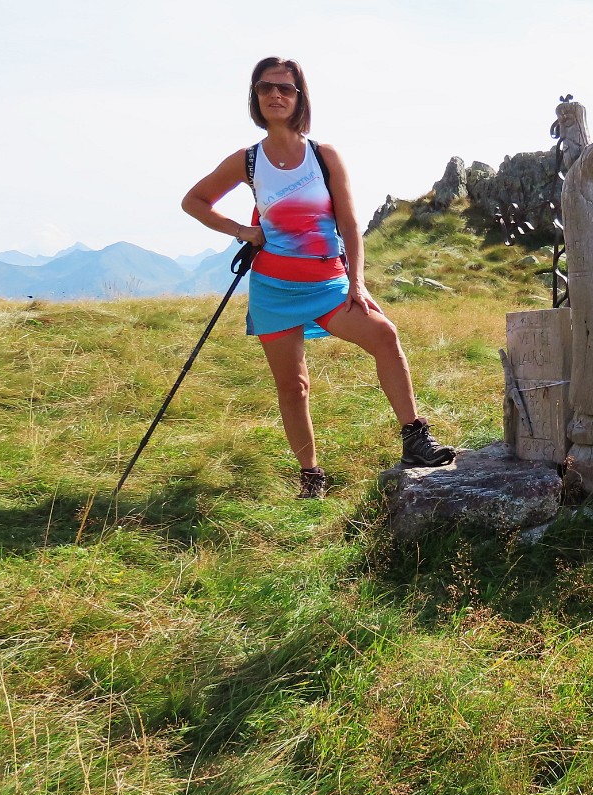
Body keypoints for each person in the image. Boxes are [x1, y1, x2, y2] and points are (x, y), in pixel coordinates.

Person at [181, 57, 454, 499]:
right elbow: (194, 201)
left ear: (299, 97)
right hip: (273, 289)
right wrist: (243, 232)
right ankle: (311, 476)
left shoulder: (323, 157)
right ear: (255, 95)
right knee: (294, 386)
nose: (276, 95)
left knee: (384, 336)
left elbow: (349, 225)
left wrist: (357, 283)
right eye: (266, 87)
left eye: (286, 89)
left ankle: (415, 439)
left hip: (329, 283)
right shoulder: (248, 161)